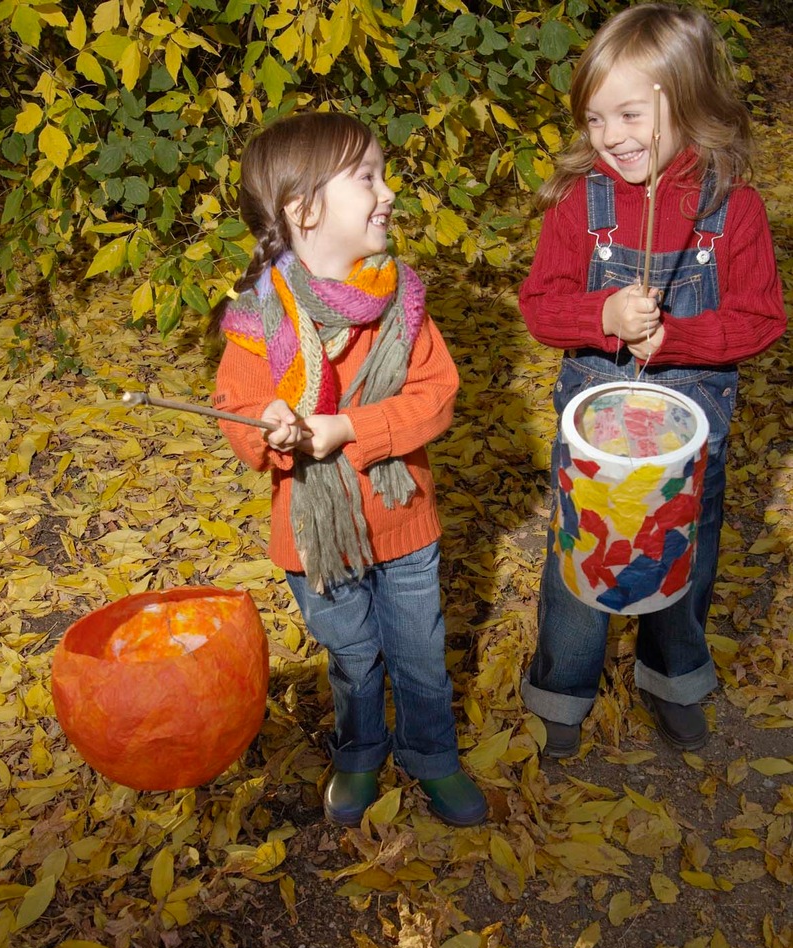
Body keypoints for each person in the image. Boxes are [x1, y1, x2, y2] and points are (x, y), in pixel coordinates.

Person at [519, 2, 786, 758]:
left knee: (684, 557)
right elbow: (540, 307)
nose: (610, 137)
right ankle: (560, 691)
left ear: (689, 100)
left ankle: (671, 678)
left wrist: (679, 337)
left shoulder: (731, 210)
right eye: (595, 119)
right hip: (595, 441)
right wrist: (601, 312)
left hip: (687, 442)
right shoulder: (581, 203)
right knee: (579, 556)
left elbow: (761, 318)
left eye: (629, 113)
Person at [209, 112, 487, 827]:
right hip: (315, 542)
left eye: (382, 172)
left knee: (420, 658)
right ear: (303, 210)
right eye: (366, 177)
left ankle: (433, 757)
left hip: (403, 525)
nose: (387, 190)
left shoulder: (402, 301)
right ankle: (361, 753)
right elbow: (235, 414)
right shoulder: (256, 323)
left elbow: (436, 396)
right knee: (353, 658)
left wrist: (349, 429)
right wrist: (272, 430)